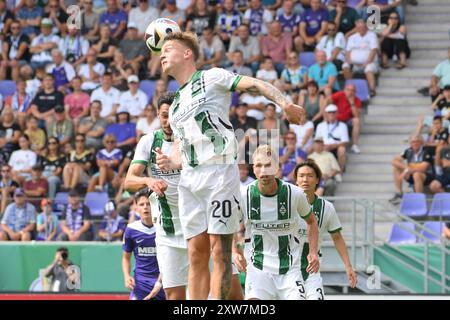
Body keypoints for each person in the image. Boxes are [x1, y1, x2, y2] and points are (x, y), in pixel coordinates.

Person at [156, 31, 305, 299]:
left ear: (187, 53)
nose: (162, 54)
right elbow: (180, 152)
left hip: (218, 173)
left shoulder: (211, 77)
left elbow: (256, 84)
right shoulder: (176, 104)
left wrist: (285, 103)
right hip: (189, 180)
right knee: (195, 253)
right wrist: (170, 161)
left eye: (168, 48)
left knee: (220, 251)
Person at [125, 93, 245, 300]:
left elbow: (218, 193)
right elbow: (129, 182)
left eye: (173, 116)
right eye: (164, 116)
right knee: (174, 295)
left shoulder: (200, 142)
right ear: (157, 115)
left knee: (232, 292)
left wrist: (233, 245)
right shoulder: (149, 141)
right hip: (169, 231)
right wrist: (149, 181)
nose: (168, 122)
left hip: (203, 227)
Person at [236, 145, 319, 300]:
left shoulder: (294, 194)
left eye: (268, 165)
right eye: (259, 166)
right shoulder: (243, 195)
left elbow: (312, 222)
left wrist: (313, 252)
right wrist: (235, 252)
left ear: (276, 167)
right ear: (253, 169)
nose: (263, 171)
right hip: (258, 268)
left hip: (289, 271)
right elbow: (230, 226)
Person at [294, 159, 357, 299]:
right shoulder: (287, 204)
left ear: (317, 180)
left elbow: (337, 237)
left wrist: (348, 266)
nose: (305, 179)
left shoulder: (327, 207)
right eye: (301, 176)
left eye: (310, 176)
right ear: (296, 180)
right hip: (287, 268)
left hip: (312, 270)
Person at [122, 189, 165, 300]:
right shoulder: (131, 229)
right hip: (140, 283)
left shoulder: (163, 228)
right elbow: (126, 257)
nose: (145, 207)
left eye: (149, 204)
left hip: (163, 281)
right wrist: (127, 276)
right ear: (136, 208)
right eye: (141, 204)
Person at [390, 135, 435, 204]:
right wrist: (406, 168)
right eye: (413, 142)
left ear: (421, 142)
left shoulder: (427, 150)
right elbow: (394, 161)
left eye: (417, 141)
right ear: (410, 143)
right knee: (396, 168)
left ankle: (418, 200)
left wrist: (408, 170)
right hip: (412, 174)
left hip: (427, 176)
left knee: (417, 174)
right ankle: (399, 193)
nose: (415, 143)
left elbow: (423, 168)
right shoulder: (408, 150)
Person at [343, 19, 379, 97]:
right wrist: (349, 61)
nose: (361, 29)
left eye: (362, 27)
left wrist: (367, 62)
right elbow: (348, 52)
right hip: (354, 63)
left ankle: (372, 89)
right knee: (345, 66)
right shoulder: (352, 37)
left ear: (366, 27)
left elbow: (374, 50)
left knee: (368, 68)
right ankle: (350, 88)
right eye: (359, 28)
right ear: (356, 28)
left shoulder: (372, 35)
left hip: (369, 62)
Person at [315, 104, 349, 173]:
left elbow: (345, 141)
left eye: (333, 112)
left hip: (336, 147)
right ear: (326, 114)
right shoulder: (320, 125)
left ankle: (340, 172)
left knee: (342, 149)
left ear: (337, 113)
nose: (331, 114)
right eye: (329, 112)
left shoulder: (342, 125)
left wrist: (333, 146)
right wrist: (323, 146)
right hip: (324, 146)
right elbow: (317, 140)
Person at [329, 83, 362, 153]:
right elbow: (328, 100)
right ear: (344, 90)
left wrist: (352, 103)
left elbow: (356, 115)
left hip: (347, 121)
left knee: (356, 120)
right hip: (336, 120)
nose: (350, 92)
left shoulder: (357, 100)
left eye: (352, 90)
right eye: (348, 90)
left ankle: (354, 145)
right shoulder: (340, 95)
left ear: (355, 92)